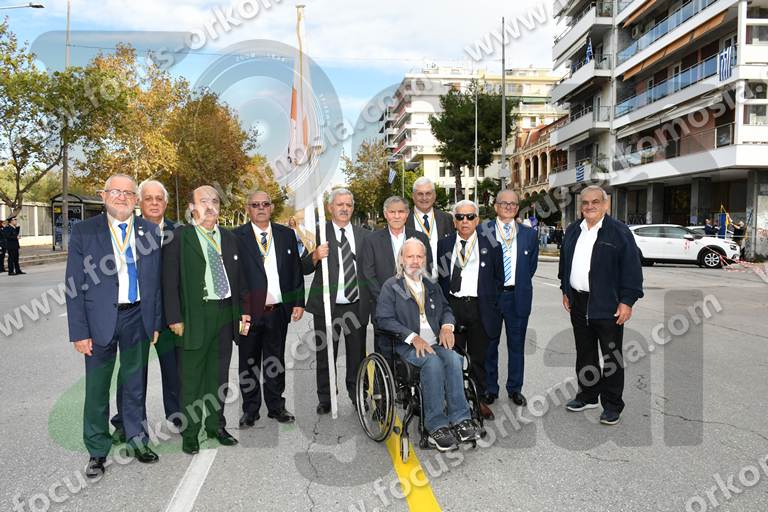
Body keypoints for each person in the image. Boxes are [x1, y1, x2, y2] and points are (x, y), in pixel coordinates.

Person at [65, 174, 163, 479]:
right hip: (98, 321)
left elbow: (155, 282)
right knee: (97, 388)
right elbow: (73, 284)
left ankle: (137, 439)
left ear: (136, 200)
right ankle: (97, 451)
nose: (122, 197)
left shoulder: (150, 231)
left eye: (128, 193)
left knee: (135, 384)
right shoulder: (84, 231)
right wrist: (79, 331)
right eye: (115, 192)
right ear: (103, 195)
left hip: (138, 317)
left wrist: (155, 321)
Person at [163, 185, 250, 454]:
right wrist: (174, 317)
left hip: (226, 314)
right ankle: (190, 433)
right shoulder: (179, 237)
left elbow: (240, 278)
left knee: (218, 376)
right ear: (192, 207)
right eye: (203, 201)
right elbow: (169, 282)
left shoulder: (230, 238)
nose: (210, 206)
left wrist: (244, 311)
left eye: (215, 201)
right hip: (194, 316)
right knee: (191, 379)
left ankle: (215, 426)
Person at [376, 237, 483, 452]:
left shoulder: (431, 284)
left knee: (453, 358)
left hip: (435, 342)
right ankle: (435, 426)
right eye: (410, 256)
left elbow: (446, 310)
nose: (415, 261)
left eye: (419, 256)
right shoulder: (392, 286)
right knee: (432, 362)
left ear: (425, 259)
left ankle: (461, 420)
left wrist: (447, 327)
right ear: (401, 259)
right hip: (407, 346)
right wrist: (412, 337)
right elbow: (384, 319)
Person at [558, 185, 644, 426]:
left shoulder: (619, 232)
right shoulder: (573, 230)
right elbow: (565, 263)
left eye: (595, 202)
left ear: (606, 205)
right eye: (585, 202)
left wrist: (627, 301)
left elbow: (632, 270)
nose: (589, 206)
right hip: (578, 302)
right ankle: (587, 396)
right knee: (585, 352)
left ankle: (612, 405)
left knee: (611, 356)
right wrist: (565, 290)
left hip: (608, 304)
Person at [110, 180, 181, 443]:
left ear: (166, 203)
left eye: (158, 198)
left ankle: (178, 415)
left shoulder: (180, 232)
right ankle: (124, 422)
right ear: (139, 202)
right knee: (132, 373)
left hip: (171, 314)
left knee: (174, 370)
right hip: (138, 314)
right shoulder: (127, 230)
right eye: (148, 198)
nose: (154, 203)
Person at [235, 191, 305, 426]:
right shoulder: (236, 237)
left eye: (265, 204)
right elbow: (233, 277)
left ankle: (276, 407)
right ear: (248, 209)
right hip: (247, 314)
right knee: (248, 362)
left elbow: (295, 270)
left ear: (272, 207)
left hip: (277, 311)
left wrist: (298, 302)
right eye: (255, 205)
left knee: (275, 361)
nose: (261, 208)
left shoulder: (286, 235)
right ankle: (250, 410)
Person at [302, 188, 369, 414]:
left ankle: (357, 394)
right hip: (326, 307)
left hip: (356, 306)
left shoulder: (364, 235)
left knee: (357, 356)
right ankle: (326, 397)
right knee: (325, 355)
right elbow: (302, 267)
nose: (344, 208)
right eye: (340, 204)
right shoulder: (318, 233)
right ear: (330, 207)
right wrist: (315, 255)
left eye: (348, 205)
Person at [436, 200, 502, 421]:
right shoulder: (444, 245)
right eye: (460, 217)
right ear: (454, 221)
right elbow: (440, 278)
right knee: (451, 358)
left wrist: (490, 304)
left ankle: (479, 399)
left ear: (477, 220)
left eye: (470, 217)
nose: (465, 221)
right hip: (452, 308)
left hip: (479, 308)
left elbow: (498, 279)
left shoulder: (492, 245)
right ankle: (453, 402)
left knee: (478, 358)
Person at [480, 189, 538, 408]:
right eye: (504, 203)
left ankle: (515, 388)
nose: (508, 207)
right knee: (489, 345)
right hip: (491, 298)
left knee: (516, 346)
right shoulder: (483, 231)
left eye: (513, 204)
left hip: (517, 296)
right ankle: (490, 388)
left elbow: (530, 266)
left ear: (517, 208)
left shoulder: (529, 234)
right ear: (496, 206)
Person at [359, 196, 431, 351]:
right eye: (392, 212)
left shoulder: (421, 238)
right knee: (385, 353)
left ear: (407, 214)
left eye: (401, 212)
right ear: (385, 214)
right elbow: (369, 275)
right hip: (383, 308)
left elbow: (427, 271)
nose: (396, 216)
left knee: (415, 352)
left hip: (414, 307)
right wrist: (387, 301)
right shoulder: (371, 240)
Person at [407, 177, 455, 276]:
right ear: (413, 196)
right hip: (414, 278)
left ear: (434, 195)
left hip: (443, 277)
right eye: (420, 194)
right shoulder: (405, 219)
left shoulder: (446, 218)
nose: (424, 198)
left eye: (428, 193)